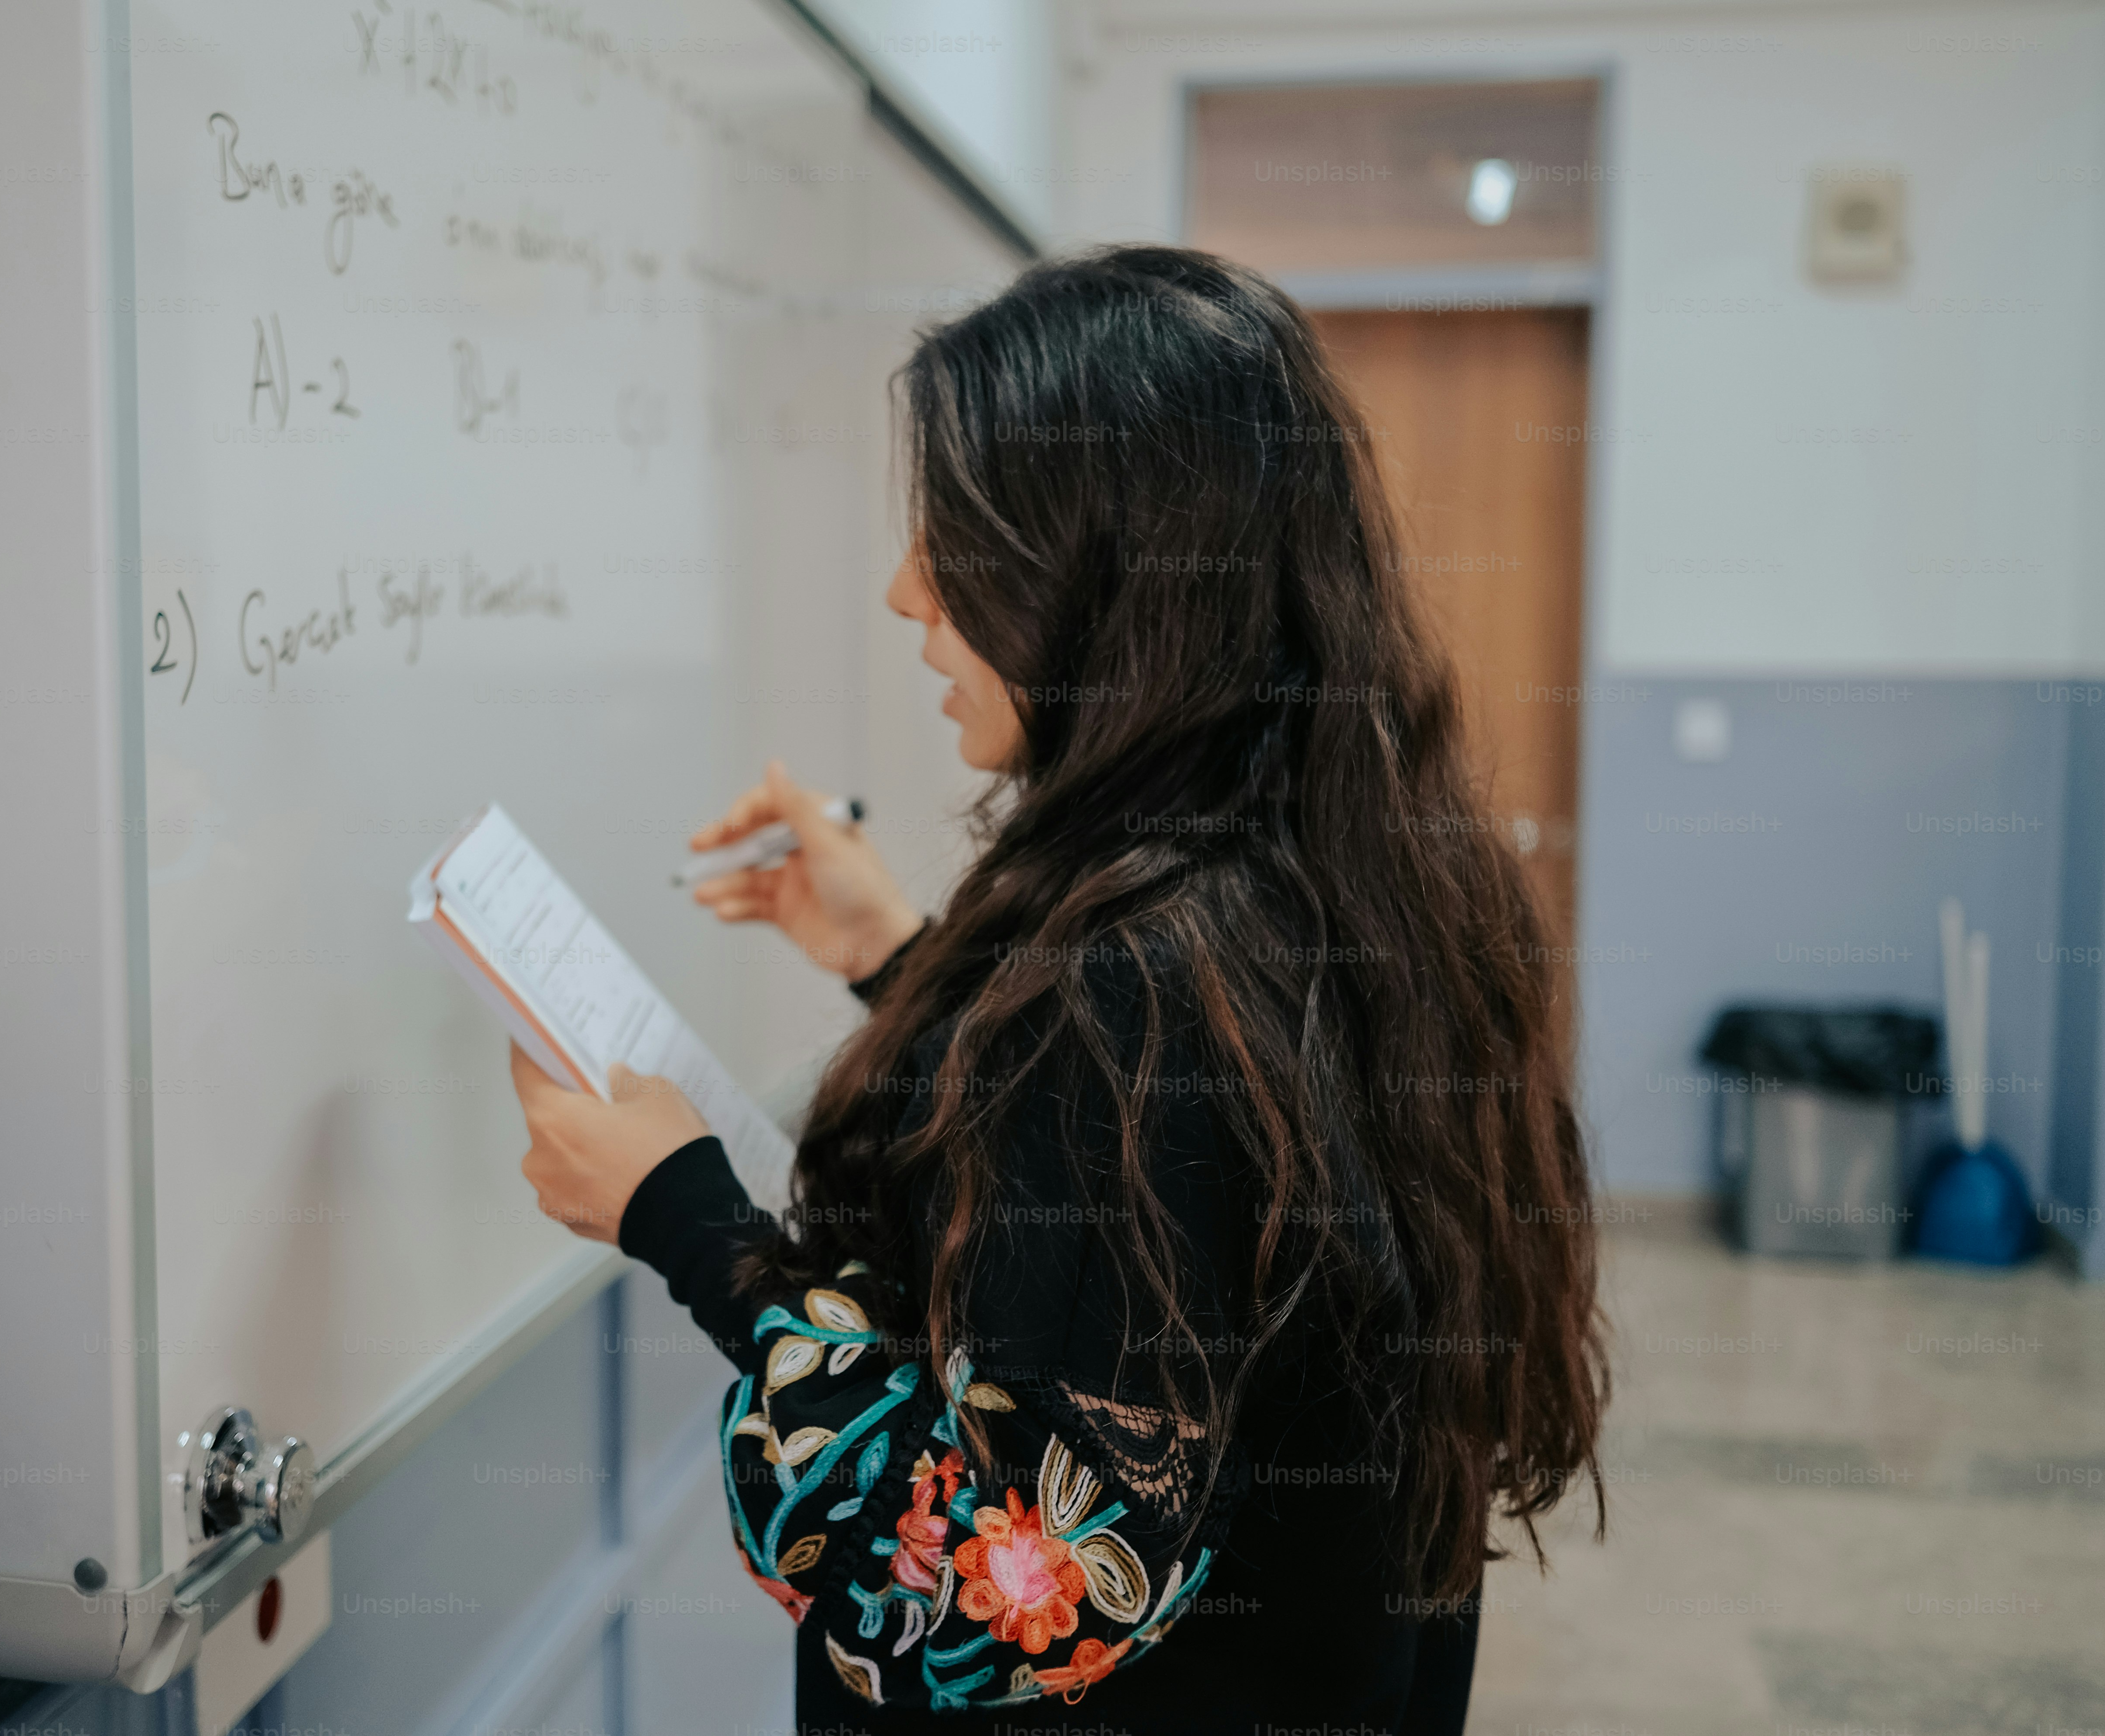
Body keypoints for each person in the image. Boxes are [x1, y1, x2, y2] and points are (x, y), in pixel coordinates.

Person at [508, 245, 1609, 1734]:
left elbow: (1005, 1586)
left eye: (959, 537)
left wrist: (687, 1224)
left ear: (1110, 569)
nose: (907, 591)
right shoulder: (1330, 871)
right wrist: (898, 956)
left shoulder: (1133, 986)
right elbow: (1183, 1220)